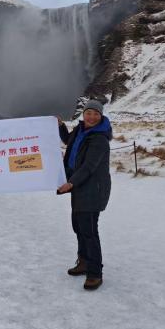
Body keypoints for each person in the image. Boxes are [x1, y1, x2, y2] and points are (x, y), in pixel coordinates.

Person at [56, 100, 112, 291]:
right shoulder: (81, 131)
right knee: (79, 227)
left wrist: (70, 182)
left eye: (96, 114)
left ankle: (95, 272)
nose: (92, 117)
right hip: (80, 187)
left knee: (89, 231)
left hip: (92, 189)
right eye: (89, 112)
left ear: (101, 115)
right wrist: (61, 126)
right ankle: (84, 261)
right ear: (84, 114)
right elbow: (68, 141)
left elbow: (89, 167)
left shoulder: (99, 139)